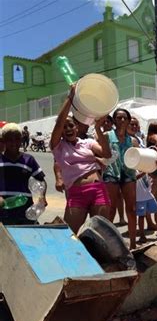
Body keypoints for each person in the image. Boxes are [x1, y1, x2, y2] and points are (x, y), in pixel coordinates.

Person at [50, 88, 112, 234]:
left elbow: (107, 154)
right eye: (64, 128)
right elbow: (59, 122)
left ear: (77, 128)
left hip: (98, 189)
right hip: (76, 193)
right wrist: (70, 97)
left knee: (100, 234)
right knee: (70, 234)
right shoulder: (57, 147)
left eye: (70, 125)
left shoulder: (88, 143)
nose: (67, 129)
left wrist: (98, 128)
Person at [103, 108, 139, 249]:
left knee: (132, 209)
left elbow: (140, 160)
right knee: (110, 209)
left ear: (129, 120)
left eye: (125, 118)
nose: (122, 120)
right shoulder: (106, 135)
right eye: (119, 118)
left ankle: (133, 244)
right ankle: (106, 243)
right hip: (111, 174)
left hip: (128, 175)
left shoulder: (134, 141)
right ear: (114, 120)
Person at [0, 123, 47, 225]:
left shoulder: (28, 159)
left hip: (25, 210)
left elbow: (41, 181)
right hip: (3, 211)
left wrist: (42, 197)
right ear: (3, 141)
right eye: (9, 139)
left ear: (21, 140)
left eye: (17, 139)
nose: (14, 143)